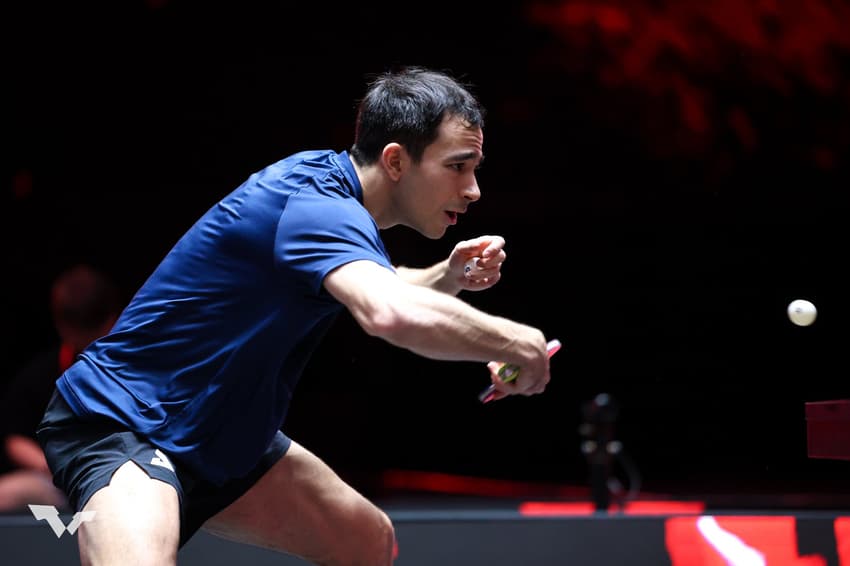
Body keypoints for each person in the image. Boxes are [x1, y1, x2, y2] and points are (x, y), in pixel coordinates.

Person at [36, 66, 553, 565]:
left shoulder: (332, 201)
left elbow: (383, 286)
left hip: (216, 433)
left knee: (366, 542)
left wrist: (447, 277)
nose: (473, 189)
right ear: (396, 161)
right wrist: (518, 342)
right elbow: (388, 312)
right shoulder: (316, 206)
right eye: (458, 166)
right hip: (123, 423)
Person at [0, 263, 122, 512]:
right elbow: (15, 438)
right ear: (61, 325)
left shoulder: (136, 369)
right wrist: (48, 464)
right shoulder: (40, 374)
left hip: (123, 482)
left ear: (113, 319)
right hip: (58, 483)